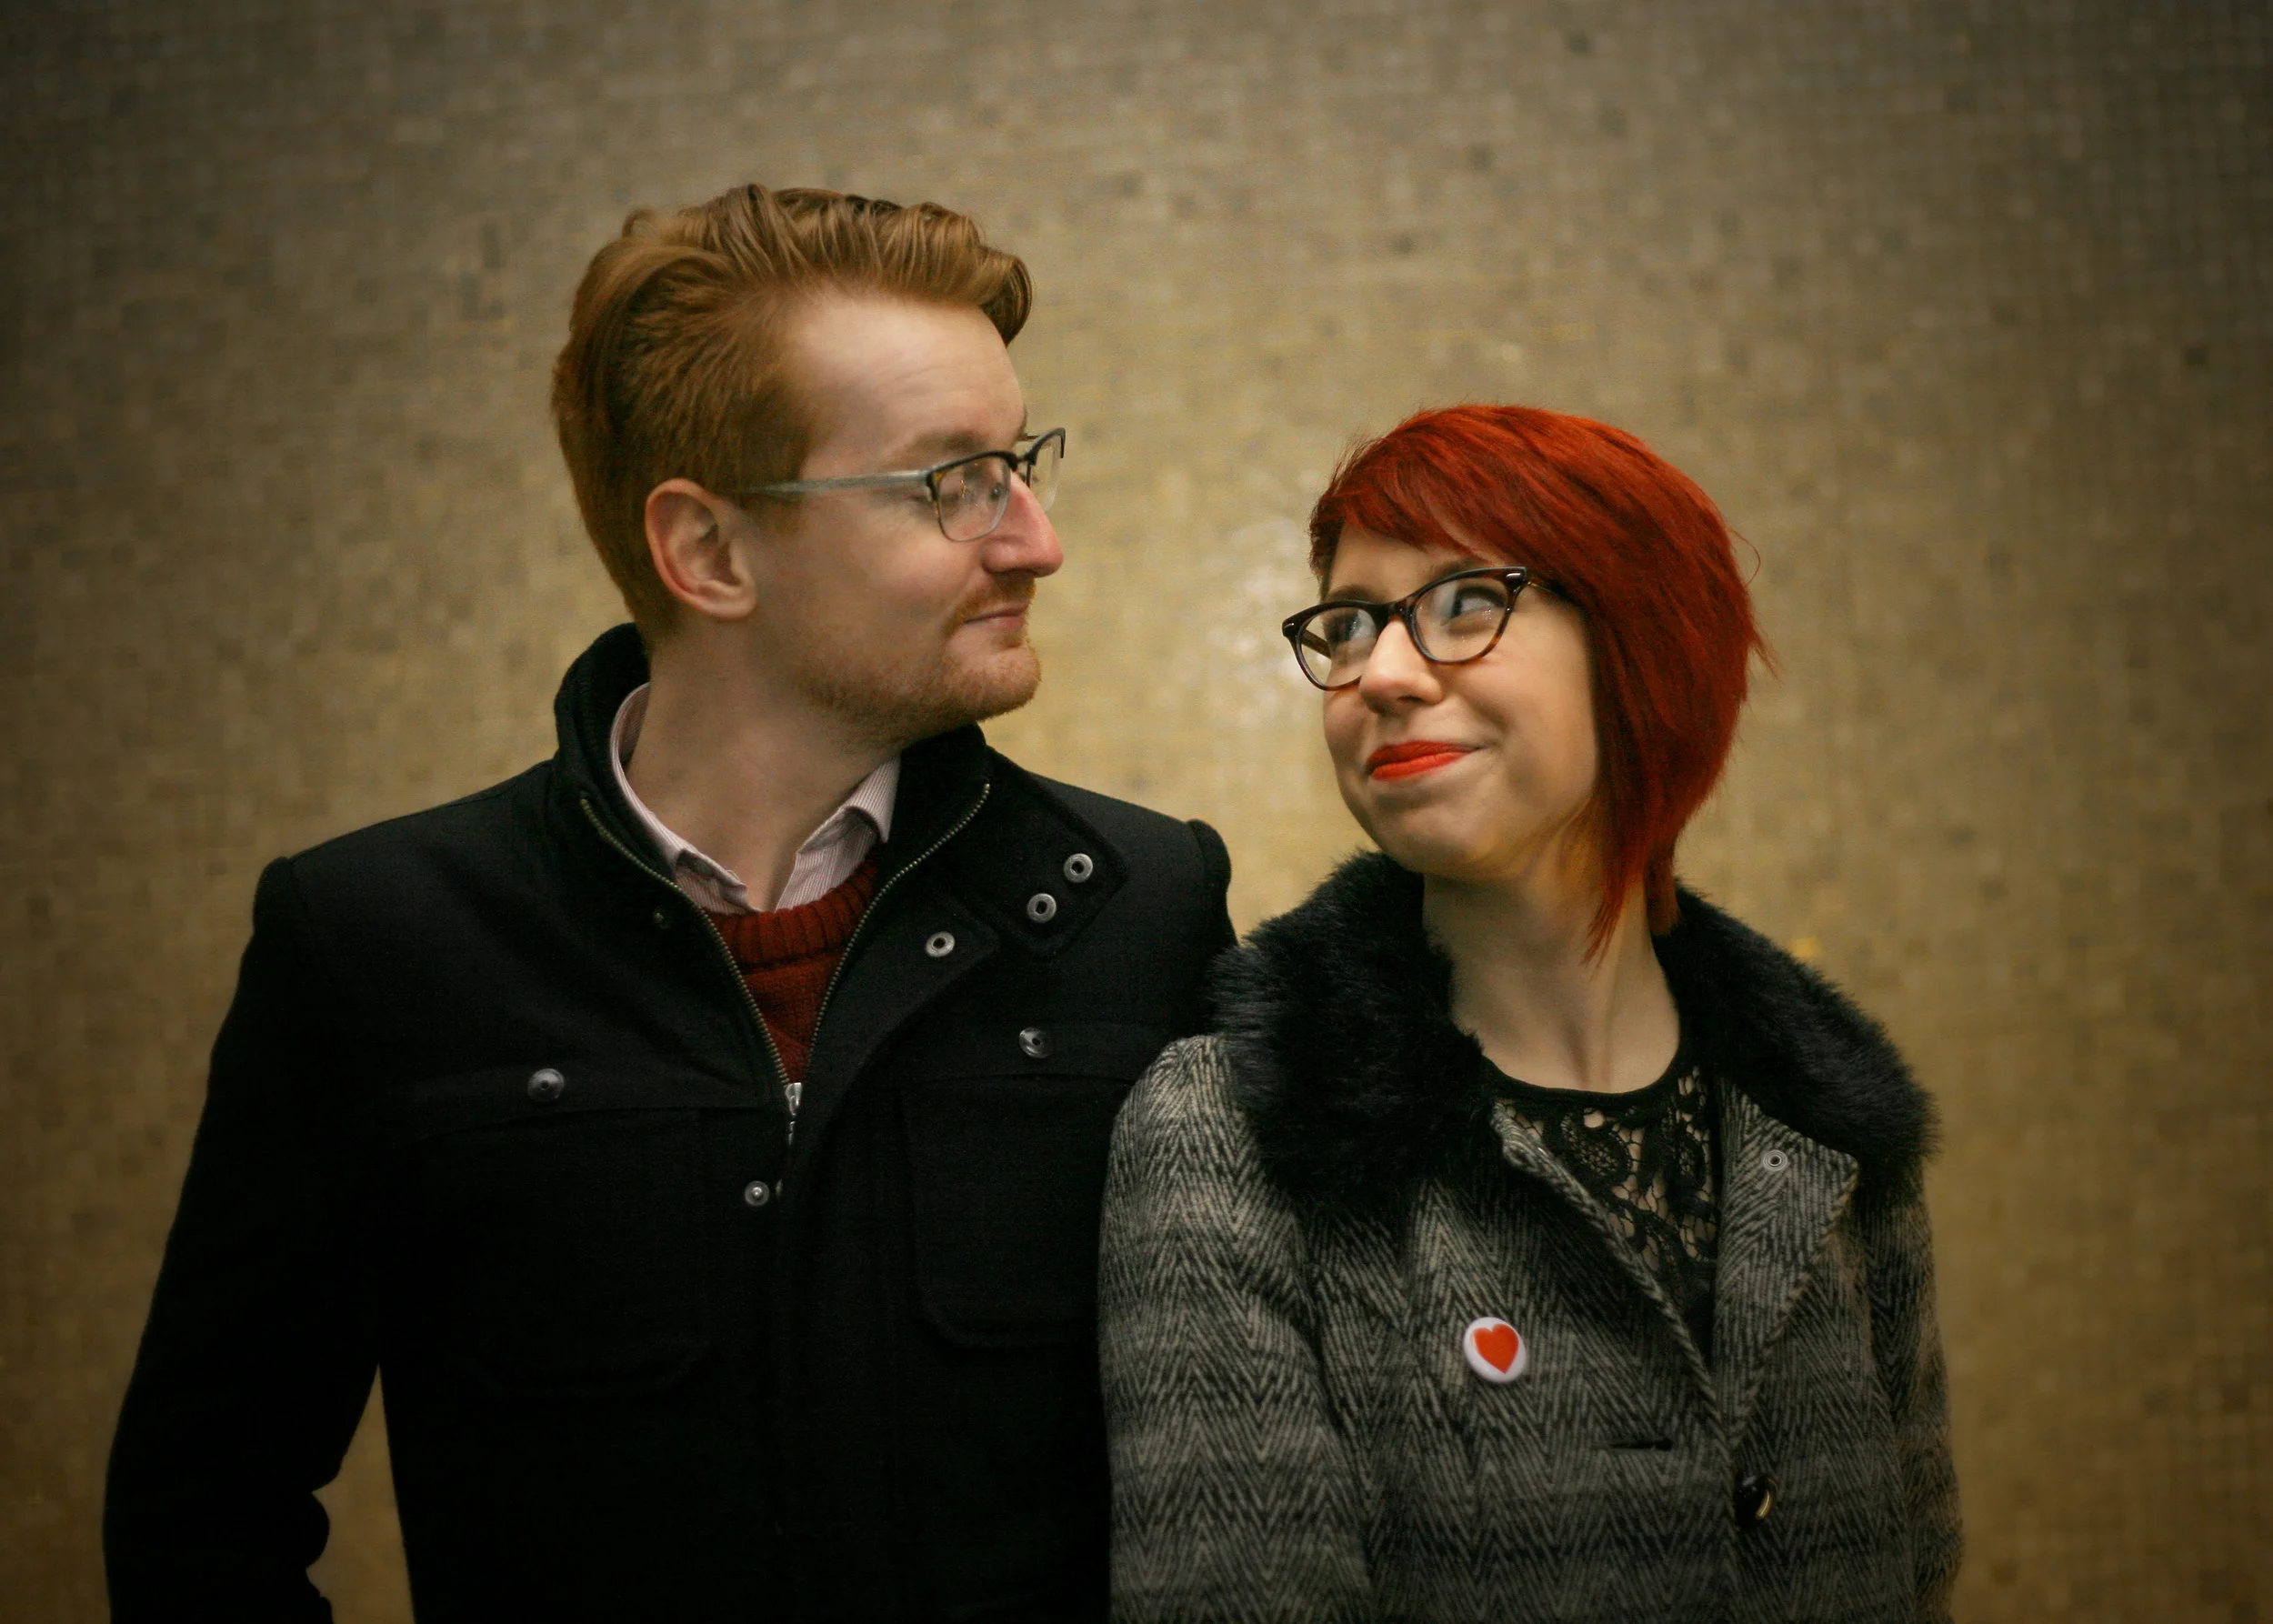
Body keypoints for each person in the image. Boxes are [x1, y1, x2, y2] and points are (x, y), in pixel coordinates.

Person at [105, 184, 1234, 1624]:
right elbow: (204, 1517)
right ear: (708, 552)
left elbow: (1260, 1477)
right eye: (950, 481)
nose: (1035, 539)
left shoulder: (1143, 910)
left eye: (1019, 463)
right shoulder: (376, 945)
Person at [1100, 405, 1960, 1621]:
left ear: (1642, 644)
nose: (1382, 674)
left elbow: (1919, 1567)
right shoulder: (1234, 1129)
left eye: (1465, 602)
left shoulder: (1825, 1122)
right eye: (1349, 624)